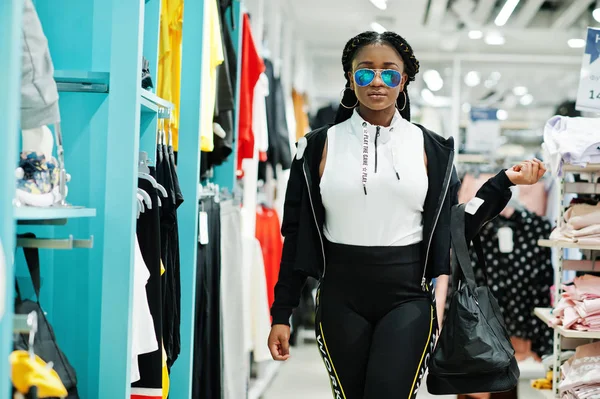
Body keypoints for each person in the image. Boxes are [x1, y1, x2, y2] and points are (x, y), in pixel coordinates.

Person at [267, 31, 546, 399]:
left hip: (409, 298)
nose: (377, 81)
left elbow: (454, 227)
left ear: (405, 80)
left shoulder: (432, 148)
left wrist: (502, 183)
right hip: (339, 297)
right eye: (365, 72)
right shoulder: (318, 145)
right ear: (350, 78)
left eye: (390, 72)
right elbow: (297, 232)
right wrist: (282, 312)